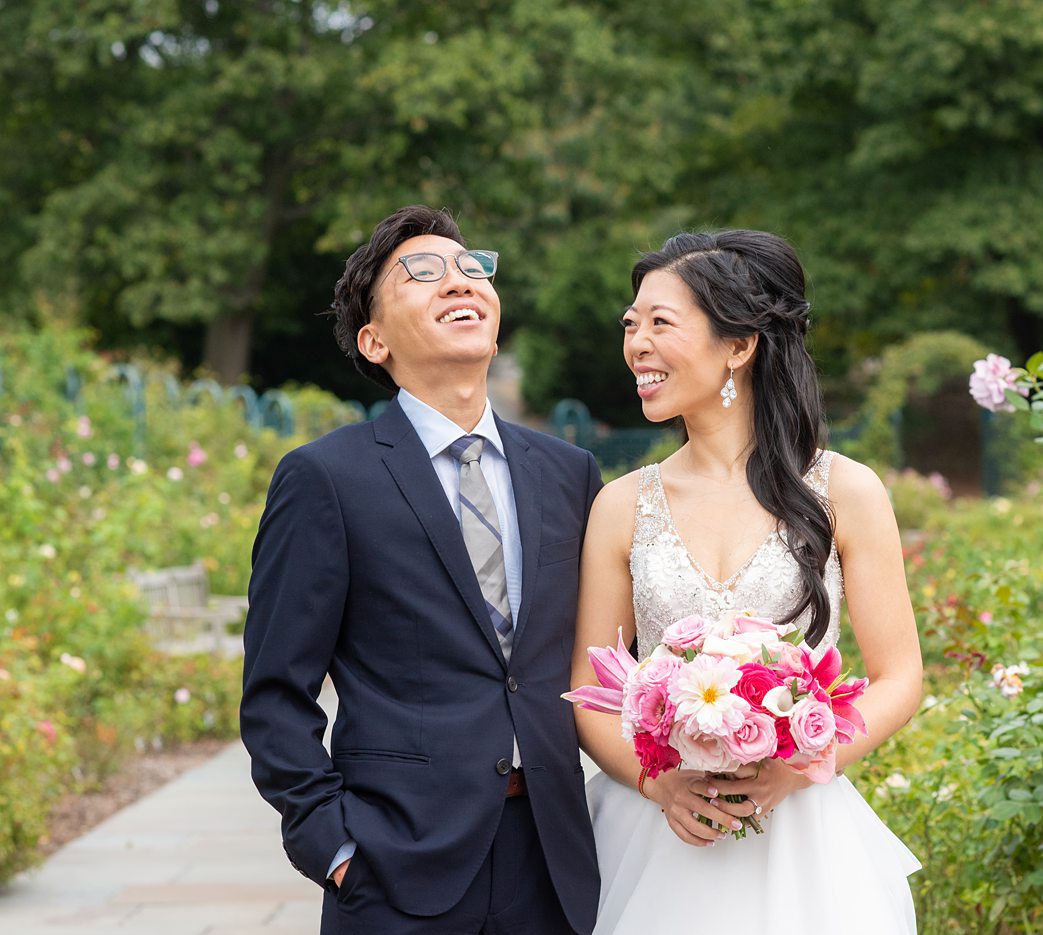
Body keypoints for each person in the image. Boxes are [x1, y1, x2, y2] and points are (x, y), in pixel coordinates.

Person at [241, 205, 602, 934]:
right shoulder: (324, 478)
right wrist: (334, 846)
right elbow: (276, 692)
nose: (458, 282)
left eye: (472, 269)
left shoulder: (570, 473)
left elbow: (610, 662)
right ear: (373, 341)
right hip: (394, 870)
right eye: (423, 272)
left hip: (553, 861)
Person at [571, 230, 924, 933]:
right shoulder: (620, 505)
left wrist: (800, 766)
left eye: (660, 323)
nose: (635, 344)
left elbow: (899, 676)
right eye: (630, 324)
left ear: (739, 344)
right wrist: (658, 783)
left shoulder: (845, 491)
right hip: (652, 834)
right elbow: (590, 688)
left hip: (804, 839)